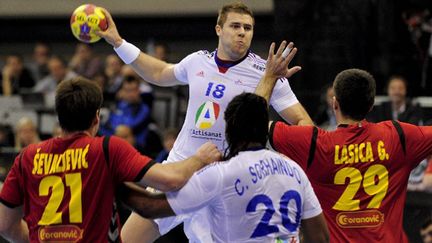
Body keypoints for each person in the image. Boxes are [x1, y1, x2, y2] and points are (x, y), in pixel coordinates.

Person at [97, 2, 311, 241]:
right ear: (218, 29)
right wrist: (118, 43)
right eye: (235, 26)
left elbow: (304, 122)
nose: (242, 32)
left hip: (224, 181)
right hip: (179, 170)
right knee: (126, 239)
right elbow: (158, 73)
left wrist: (286, 154)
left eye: (248, 28)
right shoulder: (197, 61)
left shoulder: (268, 72)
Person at [0, 77, 221, 242]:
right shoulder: (105, 148)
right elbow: (170, 180)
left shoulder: (27, 157)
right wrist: (199, 158)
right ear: (97, 117)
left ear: (59, 117)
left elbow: (5, 225)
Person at [120, 93, 329, 243]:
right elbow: (320, 237)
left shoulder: (220, 174)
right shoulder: (294, 171)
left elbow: (149, 207)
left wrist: (112, 178)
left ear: (229, 130)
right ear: (266, 129)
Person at [257, 68, 432, 242]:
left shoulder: (315, 144)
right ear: (371, 104)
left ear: (334, 104)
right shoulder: (398, 136)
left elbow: (251, 121)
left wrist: (270, 77)